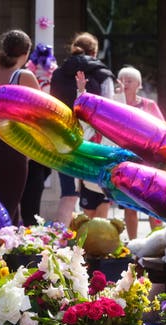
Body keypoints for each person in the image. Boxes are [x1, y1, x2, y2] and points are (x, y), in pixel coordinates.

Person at [0, 29, 41, 225]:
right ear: (26, 53)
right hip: (11, 146)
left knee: (9, 210)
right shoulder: (24, 76)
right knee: (5, 212)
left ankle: (12, 254)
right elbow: (43, 113)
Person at [50, 32, 116, 223]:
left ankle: (59, 246)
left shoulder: (58, 74)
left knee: (69, 194)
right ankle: (99, 247)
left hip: (64, 138)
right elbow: (108, 109)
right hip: (94, 143)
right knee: (99, 195)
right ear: (94, 52)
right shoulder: (103, 74)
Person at [115, 65, 164, 239]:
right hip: (125, 159)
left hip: (147, 161)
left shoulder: (149, 105)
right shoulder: (114, 104)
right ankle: (134, 244)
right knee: (130, 204)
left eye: (129, 81)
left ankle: (156, 241)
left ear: (139, 85)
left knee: (152, 204)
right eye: (122, 80)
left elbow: (161, 129)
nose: (125, 84)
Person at [21, 43, 58, 226]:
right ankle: (29, 222)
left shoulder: (29, 73)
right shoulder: (48, 75)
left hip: (33, 133)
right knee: (35, 180)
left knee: (35, 179)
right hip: (42, 134)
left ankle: (28, 221)